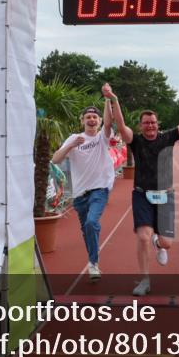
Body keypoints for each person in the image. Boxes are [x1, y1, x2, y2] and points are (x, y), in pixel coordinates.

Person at [110, 82, 179, 296]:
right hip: (142, 195)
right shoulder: (135, 141)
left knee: (167, 243)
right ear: (140, 126)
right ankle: (145, 280)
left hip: (166, 196)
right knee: (143, 236)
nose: (150, 126)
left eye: (153, 122)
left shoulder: (168, 137)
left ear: (158, 124)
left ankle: (159, 242)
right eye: (146, 123)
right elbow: (120, 125)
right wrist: (114, 100)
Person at [51, 102, 114, 281]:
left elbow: (109, 123)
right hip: (80, 194)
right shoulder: (74, 138)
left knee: (91, 222)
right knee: (87, 229)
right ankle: (93, 259)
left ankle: (93, 263)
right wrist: (70, 146)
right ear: (82, 121)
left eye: (95, 117)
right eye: (88, 117)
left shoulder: (102, 137)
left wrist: (108, 100)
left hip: (99, 189)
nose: (91, 119)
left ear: (99, 121)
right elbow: (55, 159)